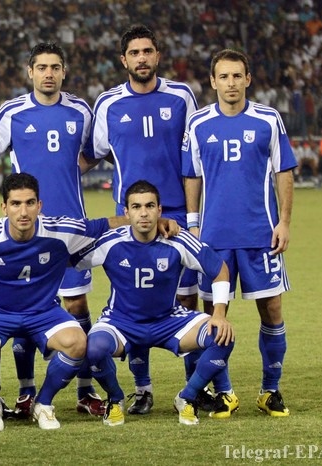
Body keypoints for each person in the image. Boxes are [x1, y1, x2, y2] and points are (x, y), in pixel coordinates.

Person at [0, 173, 177, 431]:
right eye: (15, 204)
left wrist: (155, 221)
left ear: (39, 205)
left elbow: (105, 224)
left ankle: (44, 403)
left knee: (77, 342)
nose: (23, 212)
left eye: (29, 203)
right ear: (4, 207)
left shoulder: (61, 230)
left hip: (44, 312)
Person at [0, 42, 103, 417]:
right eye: (42, 67)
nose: (49, 73)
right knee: (25, 304)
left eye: (55, 67)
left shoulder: (81, 111)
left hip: (71, 229)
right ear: (30, 72)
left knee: (77, 304)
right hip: (26, 230)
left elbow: (93, 152)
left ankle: (84, 389)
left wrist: (68, 171)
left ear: (64, 72)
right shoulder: (13, 112)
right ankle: (26, 391)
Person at [91, 24, 204, 415]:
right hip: (130, 217)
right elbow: (100, 151)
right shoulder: (108, 103)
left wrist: (191, 218)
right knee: (134, 302)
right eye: (134, 53)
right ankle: (142, 387)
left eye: (147, 51)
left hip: (174, 213)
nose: (141, 58)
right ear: (123, 59)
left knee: (187, 299)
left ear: (158, 55)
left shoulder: (182, 96)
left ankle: (195, 388)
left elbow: (192, 156)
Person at [183, 48, 296, 417]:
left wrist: (284, 222)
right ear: (213, 81)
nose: (230, 83)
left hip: (261, 235)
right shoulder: (199, 124)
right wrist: (193, 224)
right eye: (223, 76)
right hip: (214, 239)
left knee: (272, 311)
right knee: (213, 317)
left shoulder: (268, 119)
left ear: (248, 79)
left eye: (237, 76)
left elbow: (283, 171)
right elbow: (192, 175)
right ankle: (225, 392)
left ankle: (270, 390)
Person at [80, 180, 236, 426]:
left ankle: (187, 397)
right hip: (121, 322)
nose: (143, 213)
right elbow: (70, 259)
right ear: (126, 212)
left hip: (168, 320)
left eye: (150, 206)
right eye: (136, 207)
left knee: (221, 335)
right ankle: (116, 399)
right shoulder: (110, 242)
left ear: (159, 210)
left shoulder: (178, 239)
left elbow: (219, 269)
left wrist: (218, 313)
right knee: (93, 349)